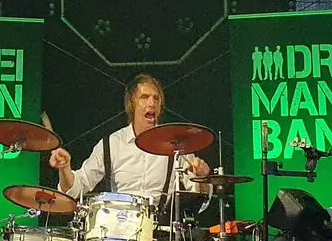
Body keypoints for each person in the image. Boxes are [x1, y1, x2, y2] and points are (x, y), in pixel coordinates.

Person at [48, 74, 211, 206]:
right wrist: (65, 168)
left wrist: (202, 178)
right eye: (144, 97)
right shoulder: (111, 144)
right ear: (131, 105)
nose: (151, 103)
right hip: (119, 231)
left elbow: (199, 200)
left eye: (156, 99)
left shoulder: (176, 144)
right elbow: (77, 189)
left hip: (161, 234)